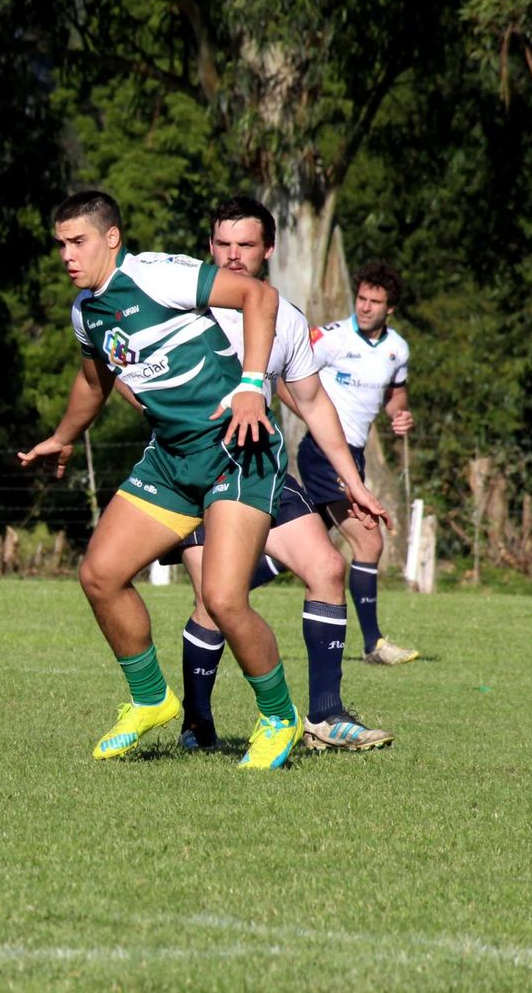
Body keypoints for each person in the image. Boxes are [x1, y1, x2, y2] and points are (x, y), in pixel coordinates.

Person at [19, 190, 301, 770]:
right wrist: (65, 435)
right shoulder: (85, 311)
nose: (69, 255)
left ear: (112, 238)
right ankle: (150, 699)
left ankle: (279, 717)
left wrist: (252, 384)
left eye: (80, 242)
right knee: (100, 575)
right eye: (62, 245)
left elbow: (259, 294)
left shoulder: (155, 275)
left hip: (235, 448)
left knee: (222, 599)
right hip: (171, 460)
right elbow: (94, 381)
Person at [162, 197, 394, 752]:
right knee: (216, 601)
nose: (233, 255)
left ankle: (326, 717)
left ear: (268, 251)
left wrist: (354, 485)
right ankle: (197, 725)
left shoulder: (284, 318)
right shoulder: (182, 307)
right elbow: (127, 372)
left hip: (260, 464)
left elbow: (313, 403)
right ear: (209, 247)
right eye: (223, 244)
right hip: (195, 470)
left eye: (246, 245)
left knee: (327, 567)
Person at [286, 260, 419, 665]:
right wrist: (308, 415)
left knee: (291, 546)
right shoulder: (331, 338)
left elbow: (396, 394)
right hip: (326, 453)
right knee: (369, 538)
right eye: (361, 298)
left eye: (374, 302)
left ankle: (221, 599)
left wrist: (401, 413)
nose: (364, 307)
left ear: (389, 308)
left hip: (353, 455)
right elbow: (281, 374)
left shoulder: (398, 349)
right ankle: (374, 643)